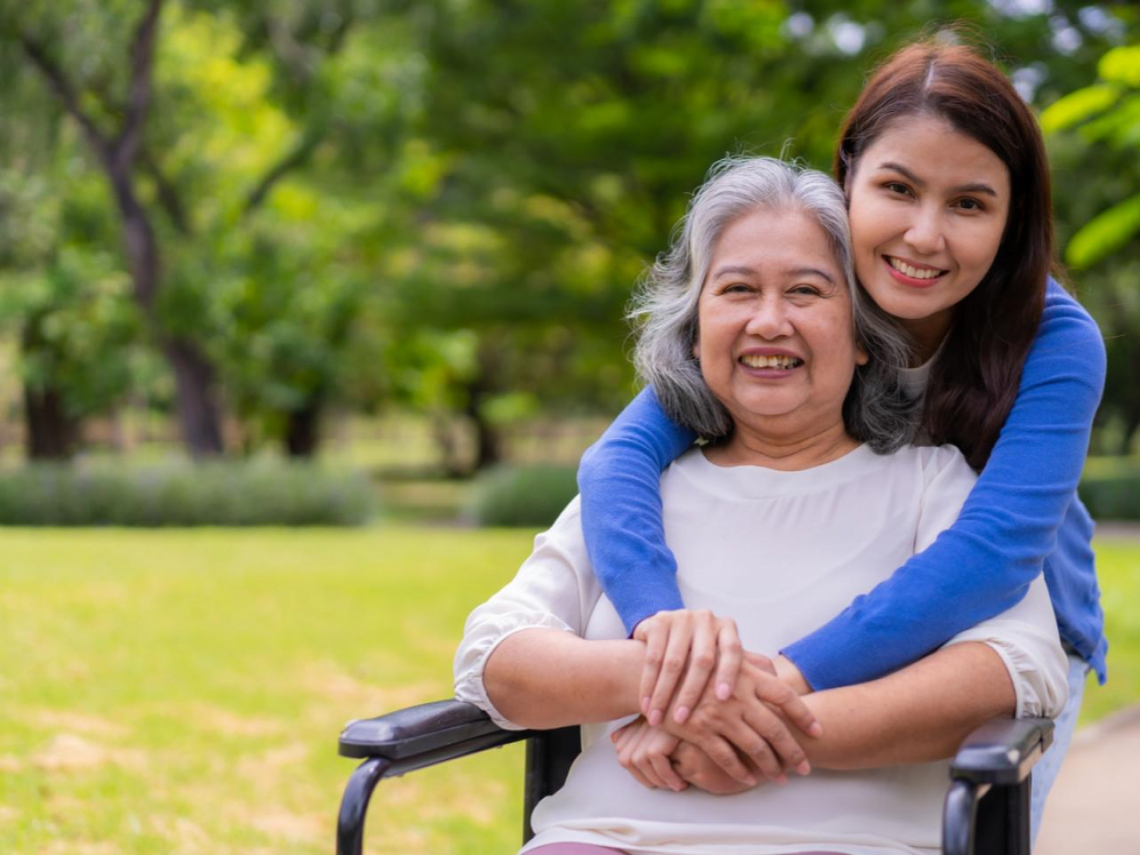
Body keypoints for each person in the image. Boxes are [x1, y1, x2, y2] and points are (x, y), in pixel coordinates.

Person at [455, 157, 1068, 855]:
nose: (768, 321)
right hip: (607, 838)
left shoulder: (932, 484)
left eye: (806, 292)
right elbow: (493, 654)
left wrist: (747, 733)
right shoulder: (633, 496)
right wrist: (667, 677)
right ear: (694, 328)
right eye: (737, 289)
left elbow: (1016, 666)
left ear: (865, 335)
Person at [574, 38, 1106, 837]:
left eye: (969, 203)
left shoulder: (1055, 342)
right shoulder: (796, 301)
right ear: (848, 175)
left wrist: (764, 685)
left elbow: (991, 556)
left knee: (969, 827)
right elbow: (617, 459)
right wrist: (666, 637)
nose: (924, 236)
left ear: (1011, 217)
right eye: (898, 188)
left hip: (1002, 628)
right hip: (826, 611)